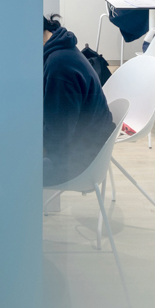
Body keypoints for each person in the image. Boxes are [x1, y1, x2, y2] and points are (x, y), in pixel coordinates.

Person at [43, 15, 114, 188]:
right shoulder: (60, 46)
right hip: (82, 145)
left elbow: (57, 139)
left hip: (77, 161)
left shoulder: (59, 66)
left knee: (0, 164)